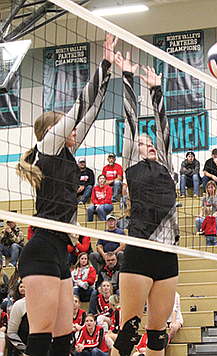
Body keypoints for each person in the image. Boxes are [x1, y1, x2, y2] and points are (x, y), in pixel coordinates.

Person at [15, 34, 117, 356]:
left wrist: (109, 72)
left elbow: (90, 113)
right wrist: (100, 65)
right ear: (52, 133)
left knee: (64, 336)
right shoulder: (48, 148)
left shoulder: (68, 155)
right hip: (42, 247)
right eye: (67, 126)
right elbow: (78, 109)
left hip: (60, 251)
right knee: (41, 336)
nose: (75, 129)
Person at [113, 54, 179, 356]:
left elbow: (163, 127)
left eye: (150, 141)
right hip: (139, 249)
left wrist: (156, 91)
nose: (149, 143)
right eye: (143, 142)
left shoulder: (165, 163)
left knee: (157, 335)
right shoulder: (131, 165)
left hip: (168, 254)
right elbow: (130, 121)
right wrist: (127, 77)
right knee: (128, 333)